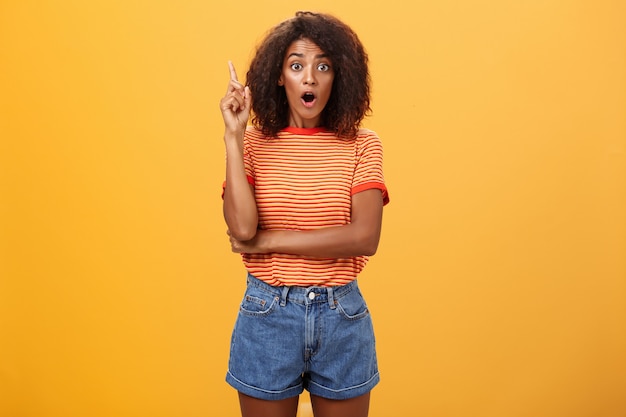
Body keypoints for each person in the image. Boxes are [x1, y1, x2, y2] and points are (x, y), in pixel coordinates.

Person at [219, 11, 390, 417]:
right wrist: (233, 135)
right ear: (280, 77)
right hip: (267, 316)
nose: (309, 77)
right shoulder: (255, 143)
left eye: (323, 66)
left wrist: (270, 240)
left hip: (341, 317)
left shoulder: (363, 145)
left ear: (338, 76)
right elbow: (241, 227)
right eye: (297, 65)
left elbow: (365, 236)